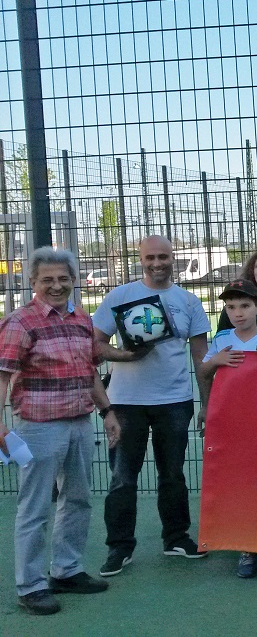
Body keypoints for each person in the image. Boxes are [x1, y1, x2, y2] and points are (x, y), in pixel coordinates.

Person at [0, 247, 111, 615]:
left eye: (63, 278)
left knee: (78, 499)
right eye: (47, 279)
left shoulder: (82, 319)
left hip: (80, 422)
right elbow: (2, 375)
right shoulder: (20, 322)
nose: (56, 285)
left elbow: (90, 372)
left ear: (74, 281)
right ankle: (30, 586)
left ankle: (67, 570)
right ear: (33, 282)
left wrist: (106, 411)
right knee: (35, 507)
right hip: (38, 427)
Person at [92, 235, 211, 578]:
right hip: (126, 403)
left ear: (173, 258)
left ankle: (176, 537)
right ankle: (119, 546)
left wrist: (207, 403)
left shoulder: (188, 302)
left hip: (174, 401)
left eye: (163, 257)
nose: (157, 263)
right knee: (122, 478)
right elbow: (95, 345)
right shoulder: (121, 296)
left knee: (173, 474)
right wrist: (125, 355)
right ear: (140, 259)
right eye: (150, 257)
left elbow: (200, 357)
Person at [196, 278, 257, 578]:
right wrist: (215, 361)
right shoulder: (221, 340)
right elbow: (204, 372)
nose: (238, 313)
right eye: (231, 307)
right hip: (234, 426)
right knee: (241, 485)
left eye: (244, 305)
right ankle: (247, 548)